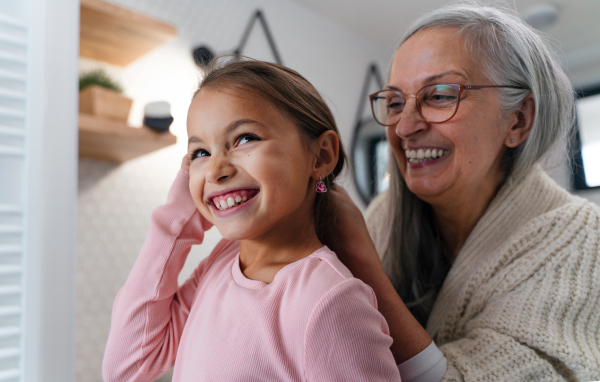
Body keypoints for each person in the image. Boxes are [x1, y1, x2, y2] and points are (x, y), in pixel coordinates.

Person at [324, 3, 600, 382]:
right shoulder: (385, 215)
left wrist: (359, 257)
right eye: (395, 102)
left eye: (439, 95)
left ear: (518, 120)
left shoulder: (580, 239)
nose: (404, 127)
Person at [102, 58, 403, 381]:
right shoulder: (221, 265)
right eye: (200, 153)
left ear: (322, 155)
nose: (216, 170)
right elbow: (127, 367)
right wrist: (177, 215)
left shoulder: (329, 301)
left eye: (245, 138)